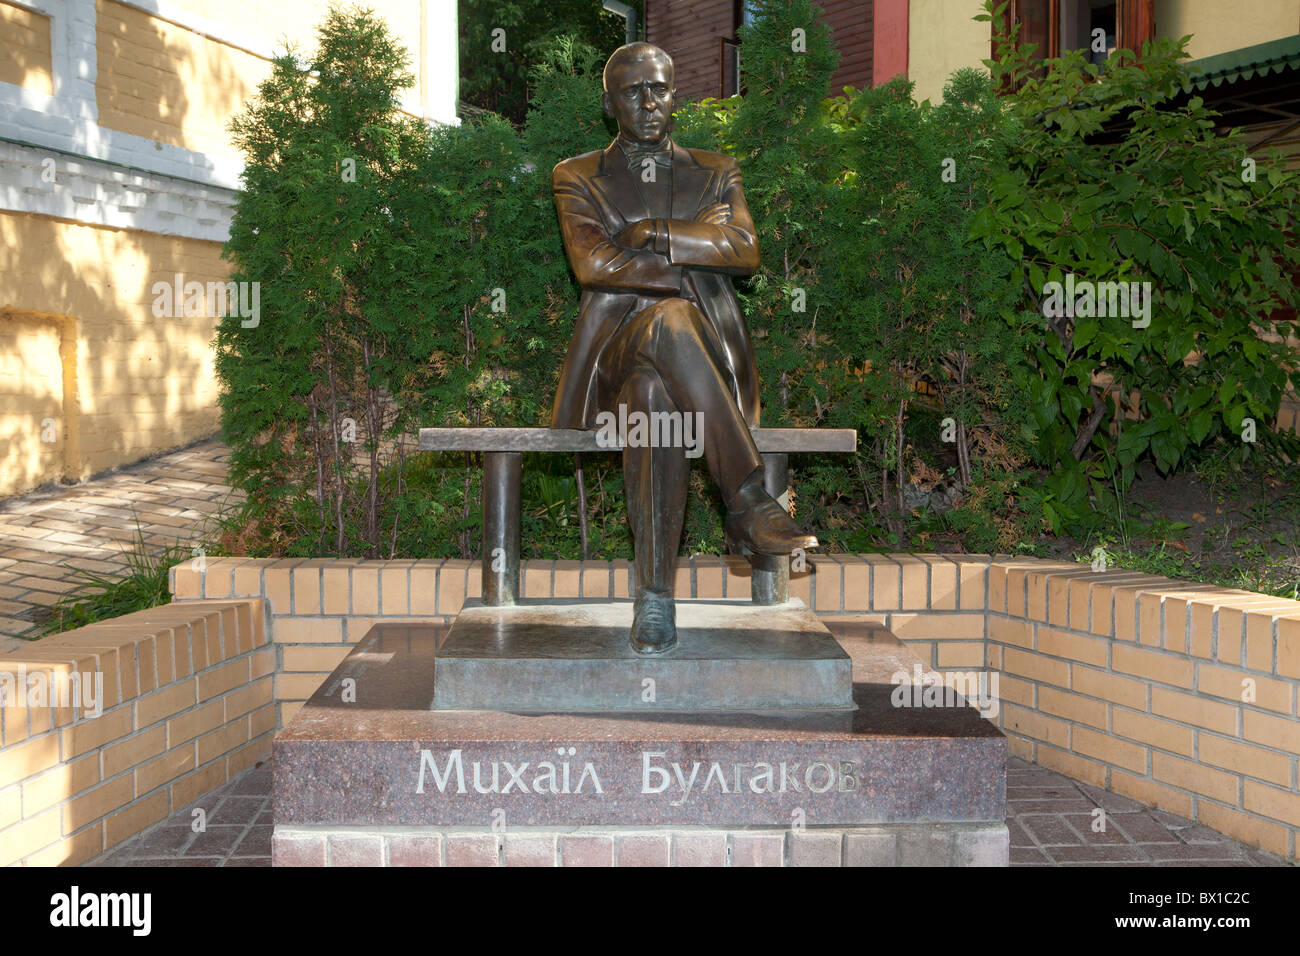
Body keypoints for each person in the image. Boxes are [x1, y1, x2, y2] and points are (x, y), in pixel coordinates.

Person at [550, 42, 816, 654]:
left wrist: (654, 234)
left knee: (656, 398)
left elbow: (744, 250)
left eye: (660, 88)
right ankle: (747, 499)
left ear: (676, 92)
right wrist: (689, 257)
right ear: (609, 101)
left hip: (695, 367)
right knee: (668, 322)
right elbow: (593, 263)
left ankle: (654, 601)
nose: (649, 102)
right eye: (632, 91)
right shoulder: (577, 174)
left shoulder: (715, 170)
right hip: (614, 356)